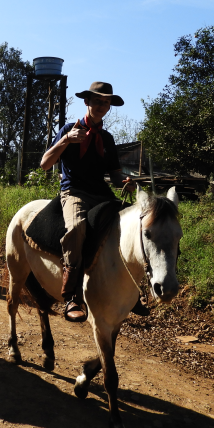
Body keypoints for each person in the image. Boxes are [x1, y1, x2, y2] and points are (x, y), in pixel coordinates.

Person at [40, 81, 140, 323]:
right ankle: (72, 295)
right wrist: (66, 140)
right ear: (87, 102)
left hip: (101, 193)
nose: (102, 106)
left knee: (135, 225)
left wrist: (126, 182)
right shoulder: (68, 129)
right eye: (98, 101)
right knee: (76, 229)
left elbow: (114, 176)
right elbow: (44, 164)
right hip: (74, 192)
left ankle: (134, 290)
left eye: (106, 102)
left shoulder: (107, 138)